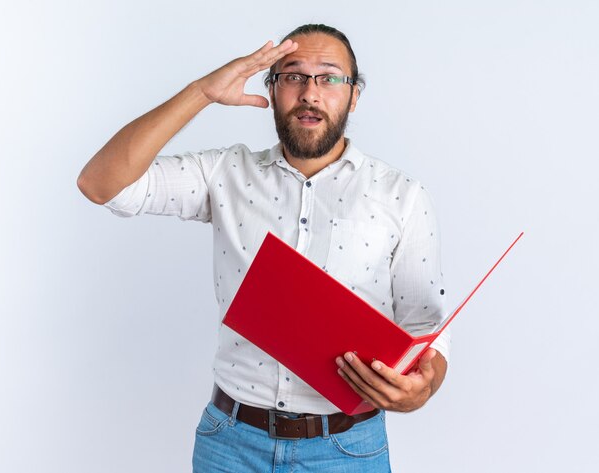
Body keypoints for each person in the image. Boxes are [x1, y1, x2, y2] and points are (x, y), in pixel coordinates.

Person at [78, 23, 450, 473]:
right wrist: (201, 92)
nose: (310, 93)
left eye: (329, 77)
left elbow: (425, 328)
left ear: (354, 96)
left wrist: (423, 389)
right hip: (230, 446)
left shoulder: (401, 196)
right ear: (272, 90)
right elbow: (100, 184)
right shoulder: (225, 173)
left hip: (349, 450)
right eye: (293, 76)